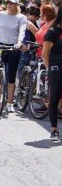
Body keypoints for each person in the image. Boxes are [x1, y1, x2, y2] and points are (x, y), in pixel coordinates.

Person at [0, 0, 27, 113]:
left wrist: (19, 42)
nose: (9, 5)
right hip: (1, 44)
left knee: (11, 75)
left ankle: (9, 103)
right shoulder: (1, 14)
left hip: (14, 47)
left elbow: (22, 31)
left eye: (12, 3)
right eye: (8, 2)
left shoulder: (21, 17)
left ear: (17, 5)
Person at [41, 7, 62, 141]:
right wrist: (50, 68)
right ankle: (54, 129)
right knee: (54, 98)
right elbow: (44, 53)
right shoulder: (53, 32)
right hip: (57, 68)